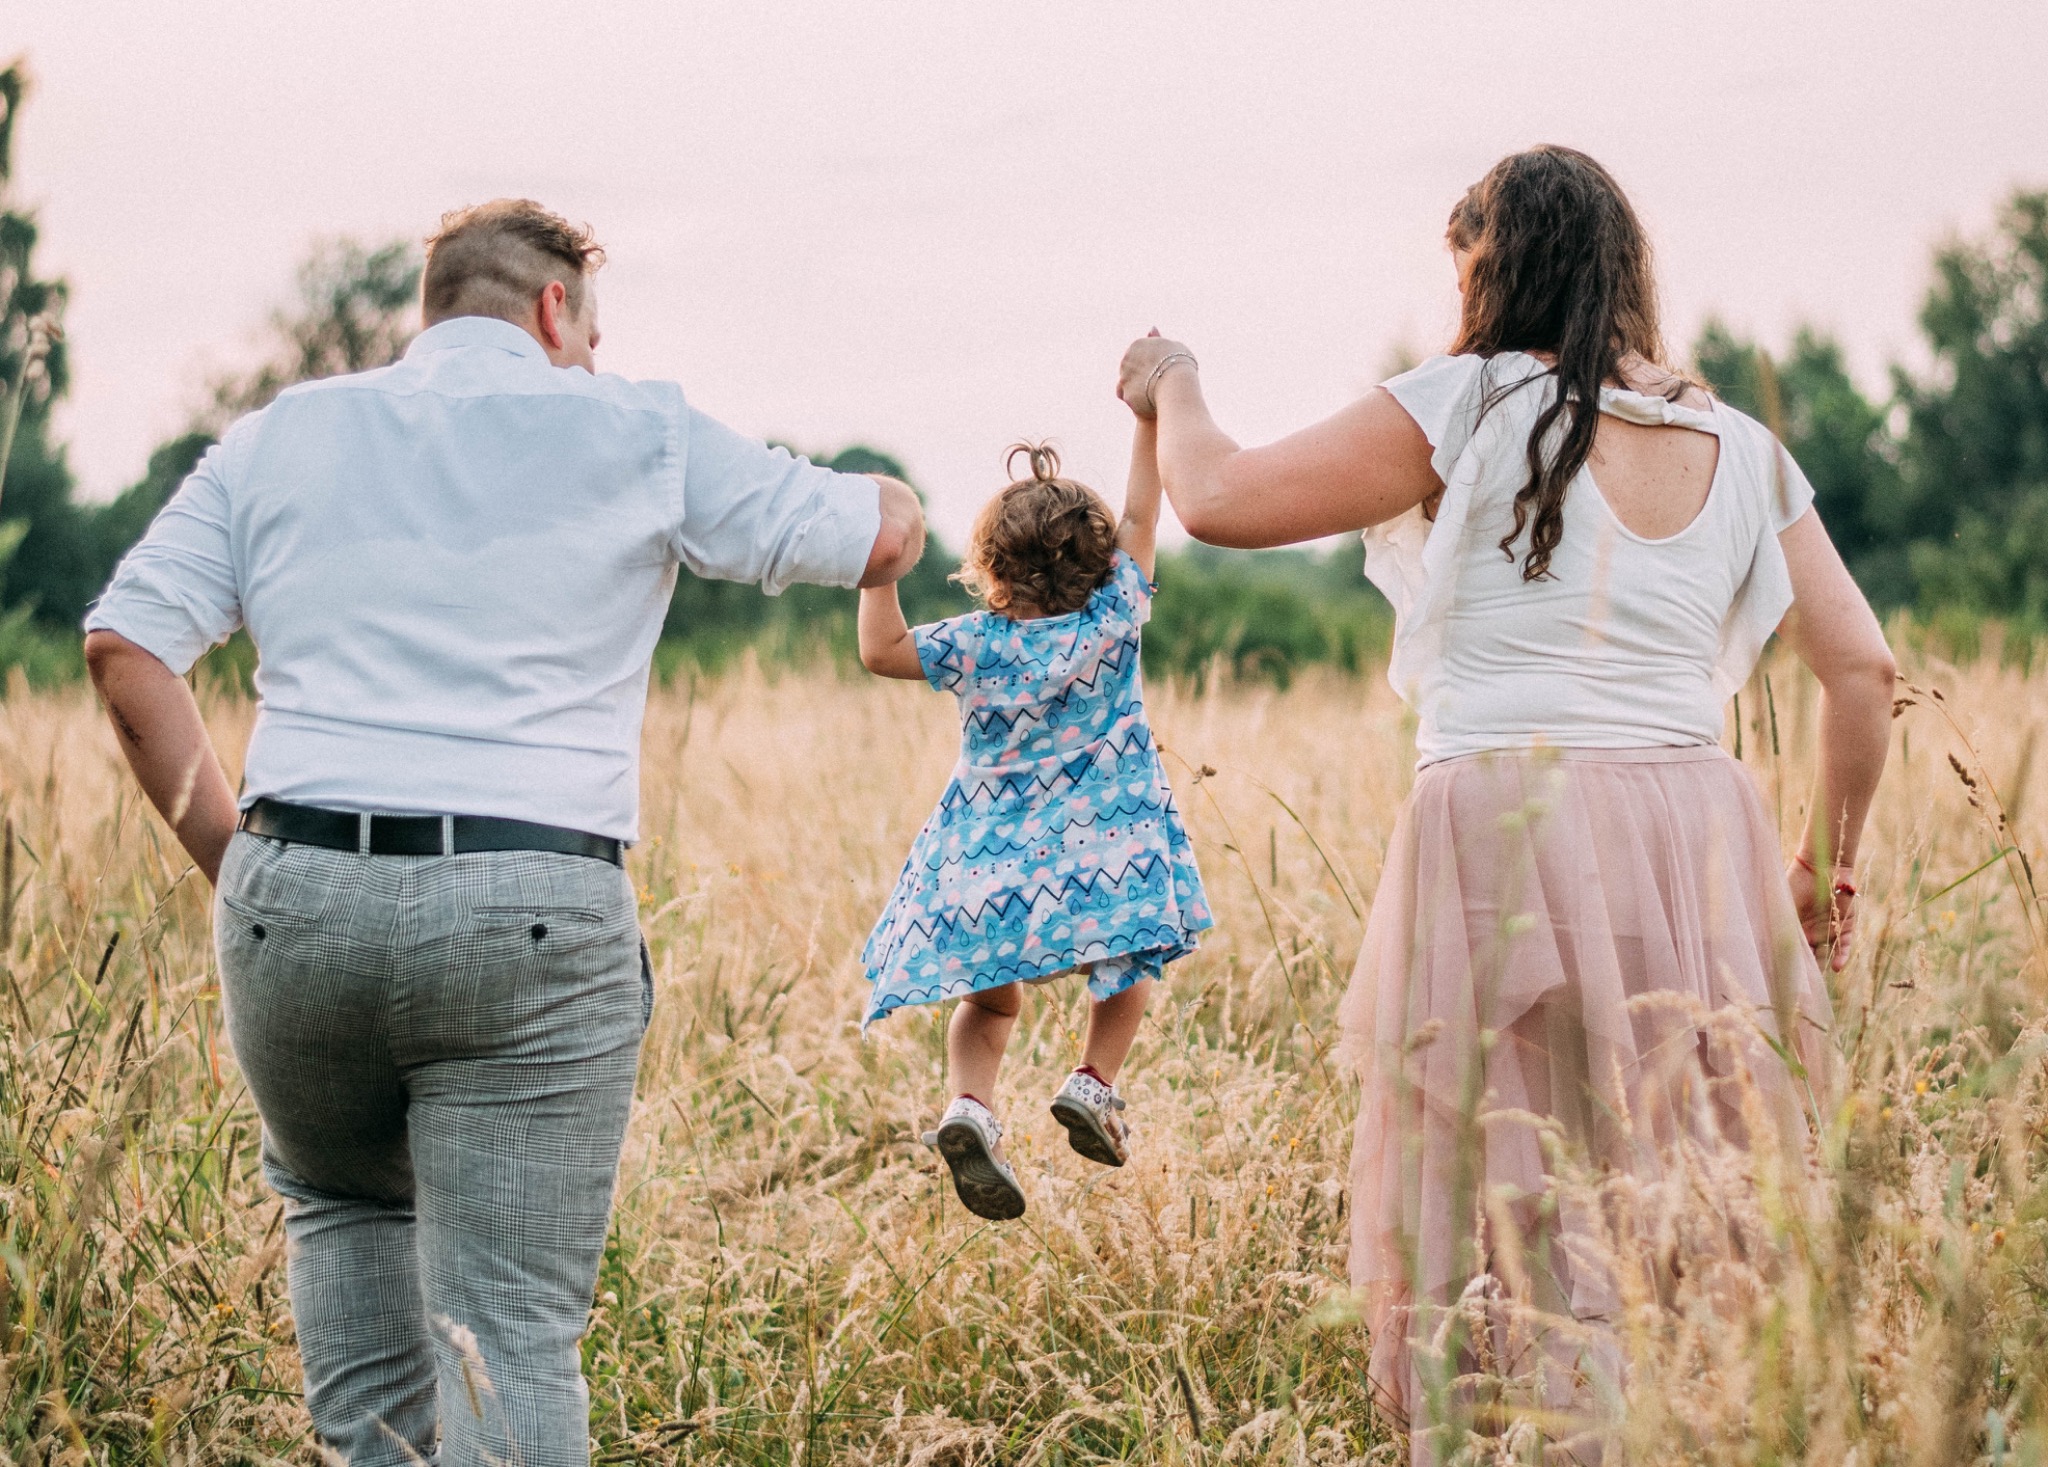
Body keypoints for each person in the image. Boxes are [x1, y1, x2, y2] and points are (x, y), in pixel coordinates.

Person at [82, 199, 924, 1467]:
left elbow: (125, 644)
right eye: (590, 330)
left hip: (291, 893)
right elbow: (882, 536)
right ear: (551, 310)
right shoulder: (634, 427)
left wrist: (241, 863)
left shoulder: (283, 435)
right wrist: (896, 492)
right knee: (509, 1332)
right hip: (529, 906)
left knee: (342, 1219)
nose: (591, 355)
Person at [1117, 146, 1894, 1460]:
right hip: (1698, 839)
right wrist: (1825, 866)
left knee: (1516, 1201)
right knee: (1688, 1201)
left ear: (1489, 265)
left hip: (1506, 827)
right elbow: (1864, 669)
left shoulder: (1469, 404)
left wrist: (1170, 378)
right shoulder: (1740, 441)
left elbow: (1217, 497)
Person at [855, 436, 1212, 1220]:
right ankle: (1093, 1083)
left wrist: (877, 560)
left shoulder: (975, 643)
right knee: (1131, 965)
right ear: (1101, 561)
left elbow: (880, 650)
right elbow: (1146, 511)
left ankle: (971, 1108)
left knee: (991, 1005)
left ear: (990, 569)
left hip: (991, 871)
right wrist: (1151, 422)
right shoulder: (1116, 616)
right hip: (1105, 859)